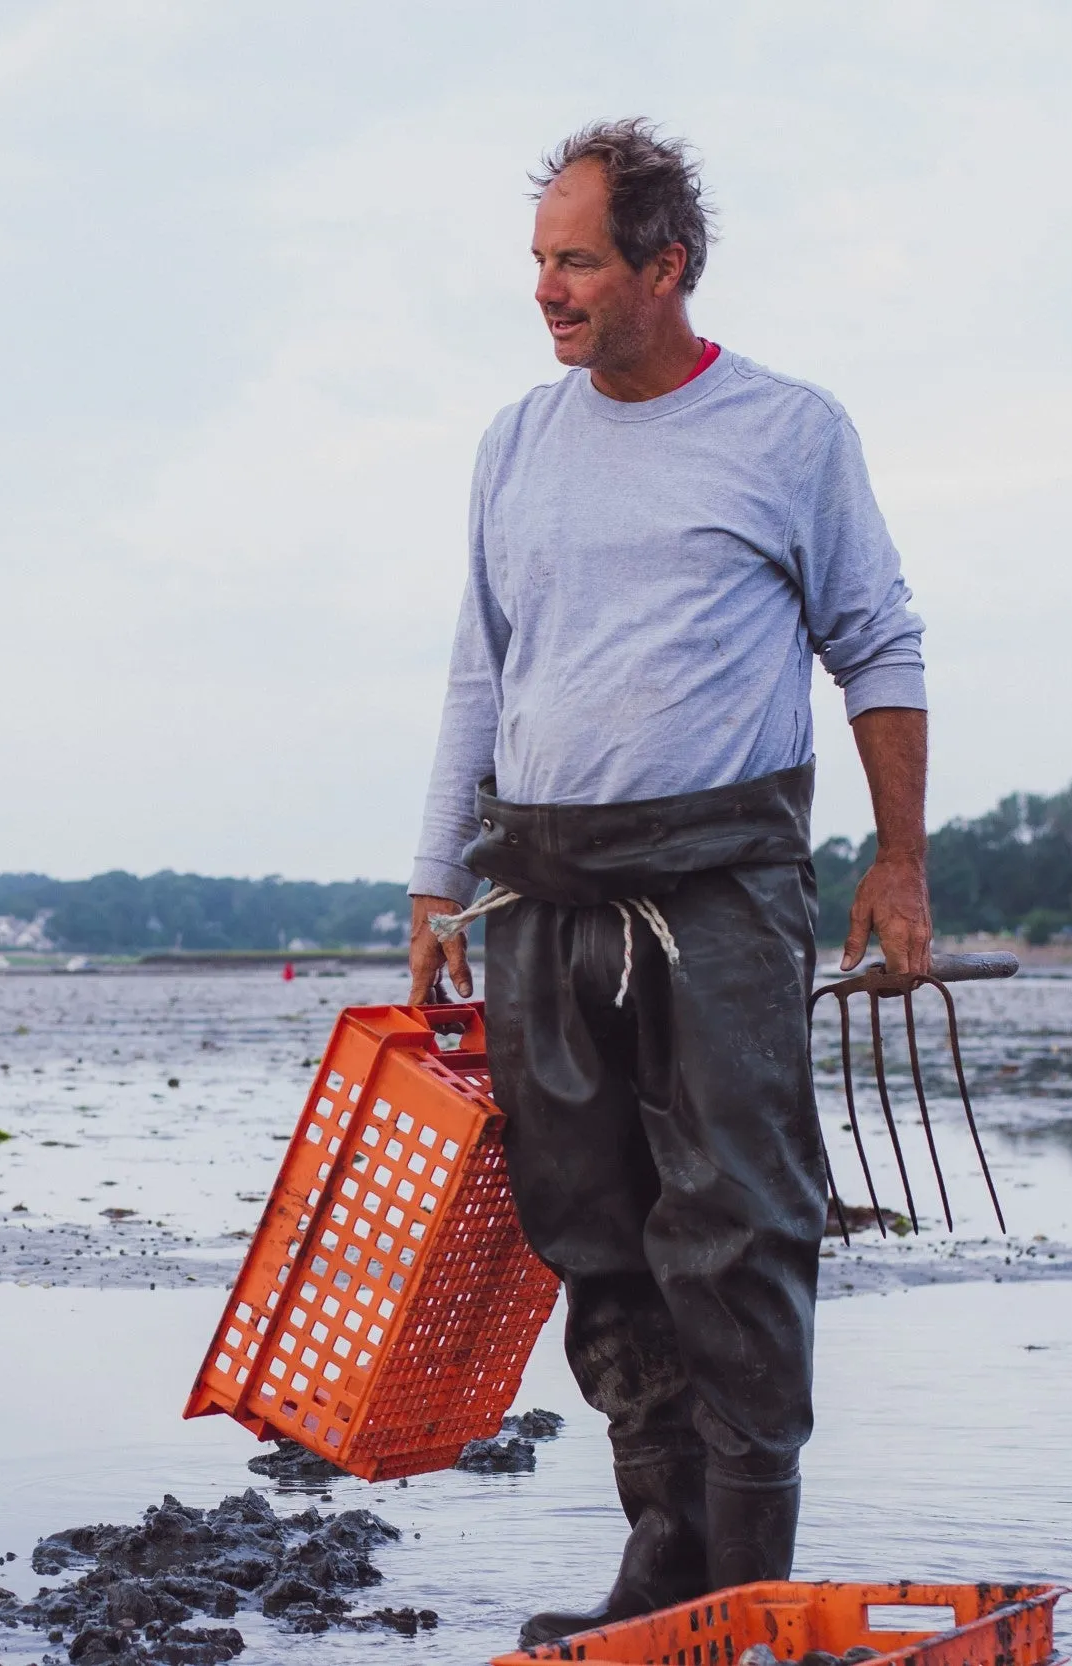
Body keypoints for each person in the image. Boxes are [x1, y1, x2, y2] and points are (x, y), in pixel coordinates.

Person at [405, 119, 932, 1649]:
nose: (549, 293)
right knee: (595, 1227)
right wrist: (439, 880)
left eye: (577, 261)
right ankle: (664, 1554)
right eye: (540, 264)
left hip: (717, 890)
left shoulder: (789, 432)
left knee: (740, 1223)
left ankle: (749, 1571)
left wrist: (900, 864)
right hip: (541, 889)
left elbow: (879, 647)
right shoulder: (515, 441)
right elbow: (477, 673)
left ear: (666, 265)